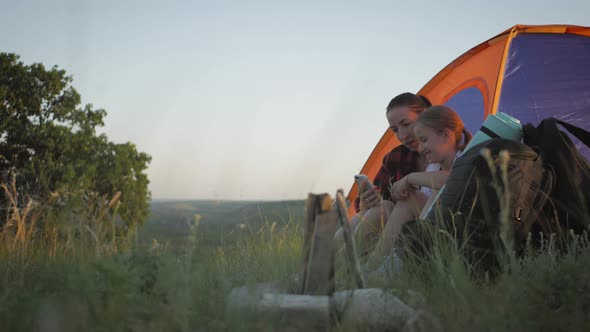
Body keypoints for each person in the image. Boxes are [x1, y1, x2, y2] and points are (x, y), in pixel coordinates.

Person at [367, 105, 472, 265]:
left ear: (445, 135)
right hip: (430, 231)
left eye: (424, 140)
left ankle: (386, 262)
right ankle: (378, 261)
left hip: (454, 233)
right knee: (400, 202)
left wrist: (410, 178)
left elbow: (452, 180)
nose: (421, 148)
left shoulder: (463, 160)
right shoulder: (434, 167)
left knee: (413, 198)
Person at [334, 92, 432, 256]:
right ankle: (317, 265)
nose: (402, 135)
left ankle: (333, 267)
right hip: (392, 231)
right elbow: (377, 203)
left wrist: (410, 180)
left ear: (425, 116)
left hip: (427, 230)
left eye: (406, 124)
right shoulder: (396, 158)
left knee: (386, 208)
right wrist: (367, 202)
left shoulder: (450, 149)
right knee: (383, 207)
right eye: (395, 130)